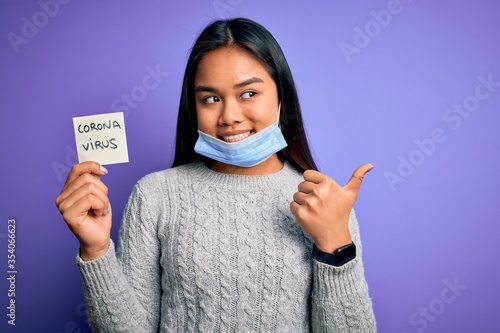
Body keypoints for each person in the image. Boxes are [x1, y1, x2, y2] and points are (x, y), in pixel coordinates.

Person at [56, 17, 377, 332]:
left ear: (282, 97)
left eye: (249, 93)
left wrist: (335, 244)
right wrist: (96, 251)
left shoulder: (323, 203)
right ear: (193, 107)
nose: (230, 116)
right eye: (210, 99)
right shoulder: (154, 196)